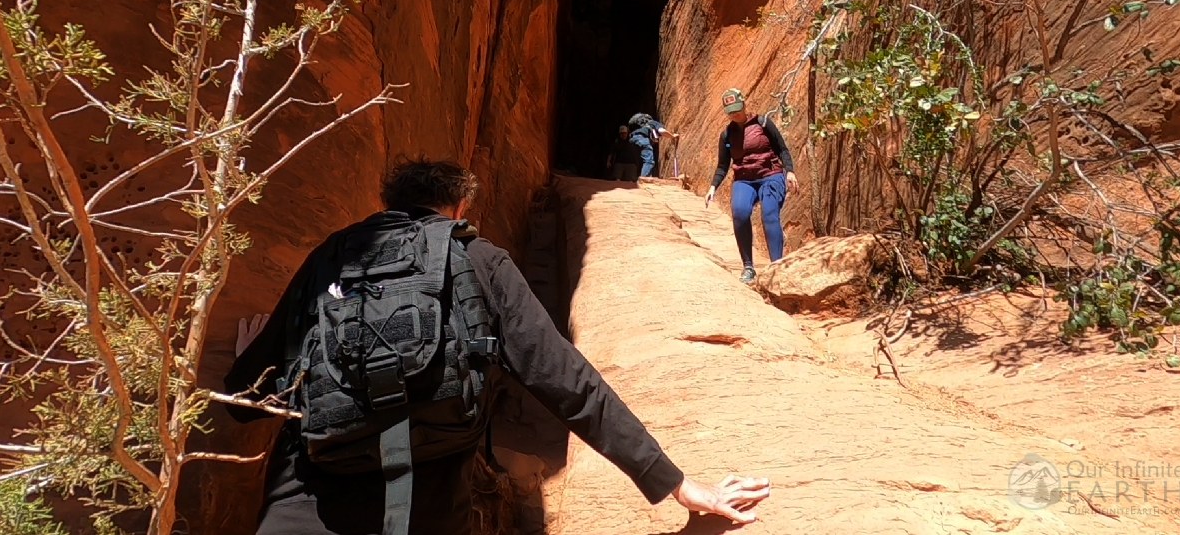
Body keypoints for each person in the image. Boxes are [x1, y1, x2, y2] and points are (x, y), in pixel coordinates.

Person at [226, 159, 771, 534]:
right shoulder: (479, 260)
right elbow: (565, 380)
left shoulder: (337, 253)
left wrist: (239, 370)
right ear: (459, 207)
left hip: (312, 499)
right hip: (430, 504)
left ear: (386, 203)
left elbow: (256, 389)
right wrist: (675, 484)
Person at [704, 89, 799, 284]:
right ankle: (748, 267)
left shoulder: (763, 123)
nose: (735, 114)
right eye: (731, 111)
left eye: (737, 109)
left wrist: (789, 171)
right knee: (739, 212)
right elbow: (723, 165)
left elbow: (782, 149)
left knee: (769, 214)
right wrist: (713, 186)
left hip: (770, 175)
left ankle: (776, 266)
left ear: (744, 104)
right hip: (744, 179)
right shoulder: (727, 135)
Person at [628, 112, 677, 178]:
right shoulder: (653, 123)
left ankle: (645, 177)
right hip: (642, 139)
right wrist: (672, 136)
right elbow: (662, 131)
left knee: (642, 161)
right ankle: (644, 179)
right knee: (649, 161)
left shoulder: (642, 127)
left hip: (632, 140)